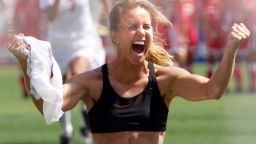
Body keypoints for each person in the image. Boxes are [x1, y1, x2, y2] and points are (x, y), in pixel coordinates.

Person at [7, 0, 250, 144]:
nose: (142, 32)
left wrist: (231, 50)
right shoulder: (93, 83)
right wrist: (25, 64)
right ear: (114, 35)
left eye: (147, 27)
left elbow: (213, 90)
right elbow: (49, 106)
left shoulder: (166, 80)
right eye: (132, 27)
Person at [39, 0, 107, 143]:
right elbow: (51, 16)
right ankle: (67, 129)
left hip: (82, 41)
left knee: (78, 75)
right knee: (59, 88)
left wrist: (111, 18)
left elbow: (103, 4)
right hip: (58, 44)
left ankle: (86, 118)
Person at [13, 0, 46, 98]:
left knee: (38, 65)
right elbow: (15, 22)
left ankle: (37, 88)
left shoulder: (37, 3)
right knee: (23, 66)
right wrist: (15, 37)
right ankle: (26, 89)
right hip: (23, 38)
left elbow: (44, 19)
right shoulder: (19, 4)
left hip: (37, 38)